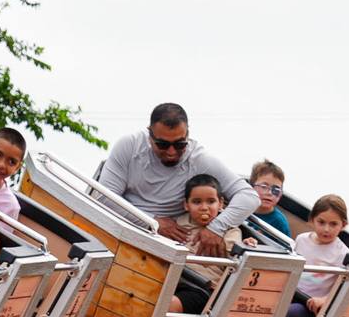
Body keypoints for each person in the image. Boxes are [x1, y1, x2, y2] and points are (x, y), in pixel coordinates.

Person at [95, 102, 260, 255]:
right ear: (149, 134)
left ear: (188, 134)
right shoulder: (129, 146)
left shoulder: (199, 160)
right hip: (122, 229)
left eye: (180, 144)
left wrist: (215, 229)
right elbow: (104, 198)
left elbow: (249, 197)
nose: (172, 152)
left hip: (170, 245)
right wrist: (152, 223)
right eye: (163, 144)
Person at [159, 174, 233, 317]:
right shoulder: (176, 225)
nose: (204, 208)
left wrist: (247, 243)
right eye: (197, 202)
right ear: (186, 204)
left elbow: (236, 255)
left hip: (201, 288)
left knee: (171, 303)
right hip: (171, 279)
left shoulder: (230, 230)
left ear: (221, 204)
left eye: (211, 202)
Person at [285, 195, 349, 317]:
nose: (326, 229)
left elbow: (343, 289)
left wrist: (324, 300)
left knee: (288, 313)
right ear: (312, 220)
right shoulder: (302, 239)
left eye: (333, 224)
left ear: (343, 225)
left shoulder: (342, 253)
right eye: (321, 222)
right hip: (291, 293)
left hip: (310, 305)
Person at [250, 160, 292, 238]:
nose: (269, 193)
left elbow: (285, 249)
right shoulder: (242, 207)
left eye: (276, 190)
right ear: (252, 187)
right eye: (264, 187)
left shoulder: (280, 222)